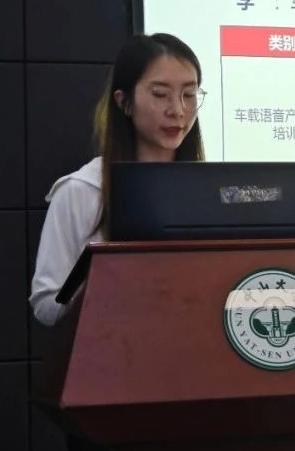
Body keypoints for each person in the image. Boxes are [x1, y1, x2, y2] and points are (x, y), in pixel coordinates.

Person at [30, 31, 206, 324]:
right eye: (160, 94)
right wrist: (111, 281)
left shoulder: (206, 190)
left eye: (189, 95)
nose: (178, 110)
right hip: (113, 346)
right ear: (124, 102)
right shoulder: (83, 190)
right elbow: (46, 306)